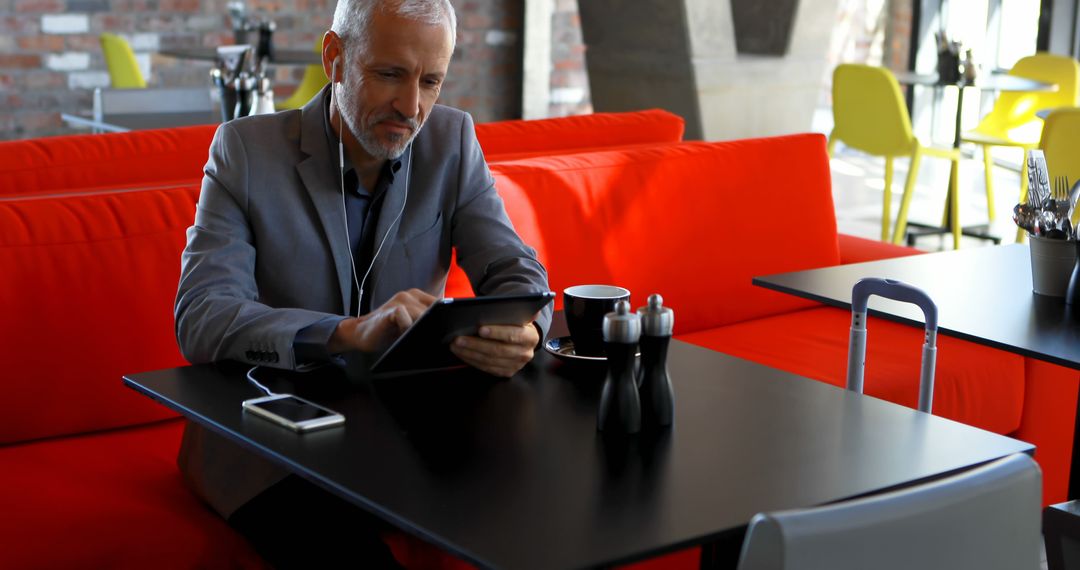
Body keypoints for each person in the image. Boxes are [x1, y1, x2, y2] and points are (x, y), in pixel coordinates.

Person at [172, 0, 551, 566]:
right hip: (274, 445)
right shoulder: (245, 152)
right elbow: (201, 315)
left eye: (431, 81)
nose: (412, 106)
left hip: (408, 433)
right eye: (390, 74)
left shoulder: (452, 141)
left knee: (535, 519)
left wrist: (528, 328)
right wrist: (346, 333)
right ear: (335, 58)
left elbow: (516, 270)